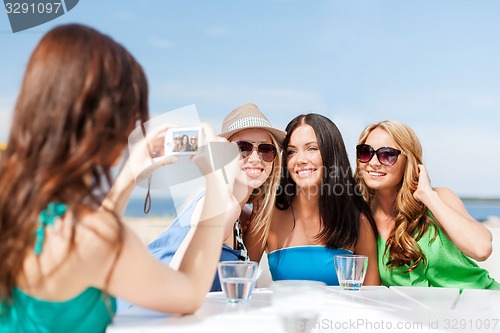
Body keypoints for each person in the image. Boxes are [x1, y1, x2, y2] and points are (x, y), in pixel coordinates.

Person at [0, 24, 239, 333]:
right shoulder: (93, 238)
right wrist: (216, 184)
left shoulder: (19, 207)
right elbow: (190, 293)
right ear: (108, 124)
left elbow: (85, 250)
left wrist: (126, 180)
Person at [137, 103, 284, 296]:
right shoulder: (225, 207)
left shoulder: (237, 212)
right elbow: (177, 281)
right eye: (243, 148)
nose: (256, 158)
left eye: (266, 150)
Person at [355, 120, 500, 290]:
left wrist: (427, 196)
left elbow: (481, 249)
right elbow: (372, 291)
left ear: (407, 161)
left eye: (387, 155)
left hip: (484, 305)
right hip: (425, 316)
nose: (373, 162)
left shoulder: (440, 198)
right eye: (366, 152)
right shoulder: (363, 220)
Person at [247, 113, 380, 286]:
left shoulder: (357, 220)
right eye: (292, 152)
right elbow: (239, 277)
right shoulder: (266, 217)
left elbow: (373, 296)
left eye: (311, 148)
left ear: (331, 153)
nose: (300, 160)